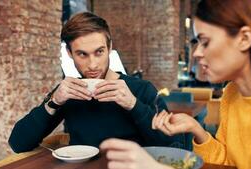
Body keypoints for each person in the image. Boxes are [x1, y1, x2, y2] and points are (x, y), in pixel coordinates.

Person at [100, 0, 251, 169]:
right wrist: (196, 129)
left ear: (244, 38)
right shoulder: (232, 94)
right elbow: (228, 166)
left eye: (205, 42)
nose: (197, 53)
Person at [9, 12, 178, 153]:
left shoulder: (142, 89)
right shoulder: (69, 92)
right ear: (69, 53)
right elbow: (18, 144)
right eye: (82, 54)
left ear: (110, 47)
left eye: (99, 52)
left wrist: (133, 105)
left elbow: (172, 146)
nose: (93, 65)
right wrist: (54, 102)